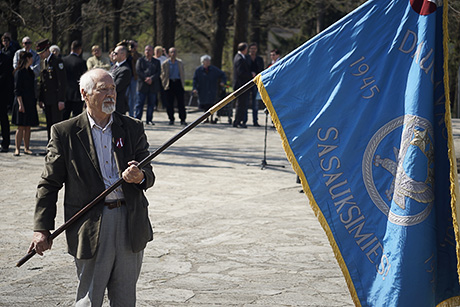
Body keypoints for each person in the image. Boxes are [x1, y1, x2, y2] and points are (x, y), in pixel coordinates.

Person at [28, 68, 155, 306]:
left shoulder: (132, 127)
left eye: (113, 89)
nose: (110, 94)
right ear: (84, 94)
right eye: (103, 89)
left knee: (126, 299)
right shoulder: (65, 132)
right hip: (92, 225)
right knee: (89, 300)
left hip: (131, 221)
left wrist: (139, 176)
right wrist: (42, 228)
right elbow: (49, 183)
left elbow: (149, 173)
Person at [36, 38, 67, 140]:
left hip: (56, 98)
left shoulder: (57, 61)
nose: (40, 55)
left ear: (47, 50)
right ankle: (51, 146)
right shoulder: (44, 62)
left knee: (56, 124)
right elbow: (42, 82)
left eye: (42, 53)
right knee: (49, 124)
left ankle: (58, 147)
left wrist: (61, 99)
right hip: (47, 98)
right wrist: (40, 99)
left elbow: (62, 82)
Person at [11, 51, 39, 156]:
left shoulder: (30, 72)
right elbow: (17, 90)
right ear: (27, 59)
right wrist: (20, 104)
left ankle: (27, 147)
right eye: (31, 58)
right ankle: (17, 148)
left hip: (30, 101)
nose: (32, 60)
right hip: (21, 101)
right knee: (20, 126)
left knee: (28, 126)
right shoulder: (19, 72)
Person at [192, 54, 227, 123]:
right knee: (205, 105)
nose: (208, 62)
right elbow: (195, 80)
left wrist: (223, 82)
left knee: (212, 104)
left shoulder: (214, 69)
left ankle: (211, 118)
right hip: (203, 90)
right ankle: (206, 118)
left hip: (212, 89)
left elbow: (223, 74)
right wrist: (194, 88)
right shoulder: (198, 70)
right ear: (203, 62)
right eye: (207, 61)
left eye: (209, 60)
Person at [135, 45, 161, 125]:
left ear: (152, 51)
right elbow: (138, 71)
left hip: (152, 86)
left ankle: (149, 119)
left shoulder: (156, 62)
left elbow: (158, 72)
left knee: (151, 103)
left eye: (149, 50)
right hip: (142, 85)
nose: (147, 52)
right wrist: (146, 78)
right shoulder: (140, 60)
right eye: (146, 50)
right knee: (139, 104)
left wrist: (151, 79)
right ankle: (137, 120)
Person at [160, 47, 187, 125]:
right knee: (169, 103)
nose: (173, 54)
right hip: (169, 84)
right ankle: (171, 119)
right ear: (169, 53)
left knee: (181, 103)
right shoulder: (165, 63)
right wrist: (164, 84)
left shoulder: (180, 63)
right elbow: (162, 75)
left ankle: (182, 119)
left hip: (178, 83)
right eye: (171, 52)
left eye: (174, 52)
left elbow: (182, 73)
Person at [62, 40, 87, 120]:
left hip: (65, 93)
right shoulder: (81, 62)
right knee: (76, 118)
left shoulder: (63, 60)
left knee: (64, 117)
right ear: (79, 49)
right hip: (77, 93)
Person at [232, 42, 252, 128]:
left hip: (242, 84)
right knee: (240, 104)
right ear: (244, 49)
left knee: (242, 104)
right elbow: (240, 73)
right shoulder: (239, 58)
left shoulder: (241, 57)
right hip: (241, 85)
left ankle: (239, 120)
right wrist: (250, 75)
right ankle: (237, 121)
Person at [246, 43, 264, 127]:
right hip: (247, 82)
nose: (253, 50)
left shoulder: (259, 59)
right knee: (245, 102)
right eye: (251, 48)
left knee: (255, 103)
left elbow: (262, 70)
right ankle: (244, 119)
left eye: (254, 49)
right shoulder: (246, 58)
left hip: (256, 83)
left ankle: (255, 120)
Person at [110, 45, 132, 114]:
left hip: (118, 105)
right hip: (111, 103)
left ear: (123, 55)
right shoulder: (114, 67)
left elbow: (117, 87)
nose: (113, 54)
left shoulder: (125, 70)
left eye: (116, 53)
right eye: (113, 52)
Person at [0, 46, 13, 152]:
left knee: (3, 119)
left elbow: (6, 77)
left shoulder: (6, 59)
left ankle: (5, 143)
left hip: (2, 95)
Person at [127, 40, 141, 117]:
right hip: (125, 77)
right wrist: (126, 42)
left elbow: (137, 61)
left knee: (133, 97)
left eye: (135, 46)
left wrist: (133, 53)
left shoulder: (138, 55)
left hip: (134, 77)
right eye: (132, 46)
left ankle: (131, 114)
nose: (133, 47)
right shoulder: (125, 54)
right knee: (125, 96)